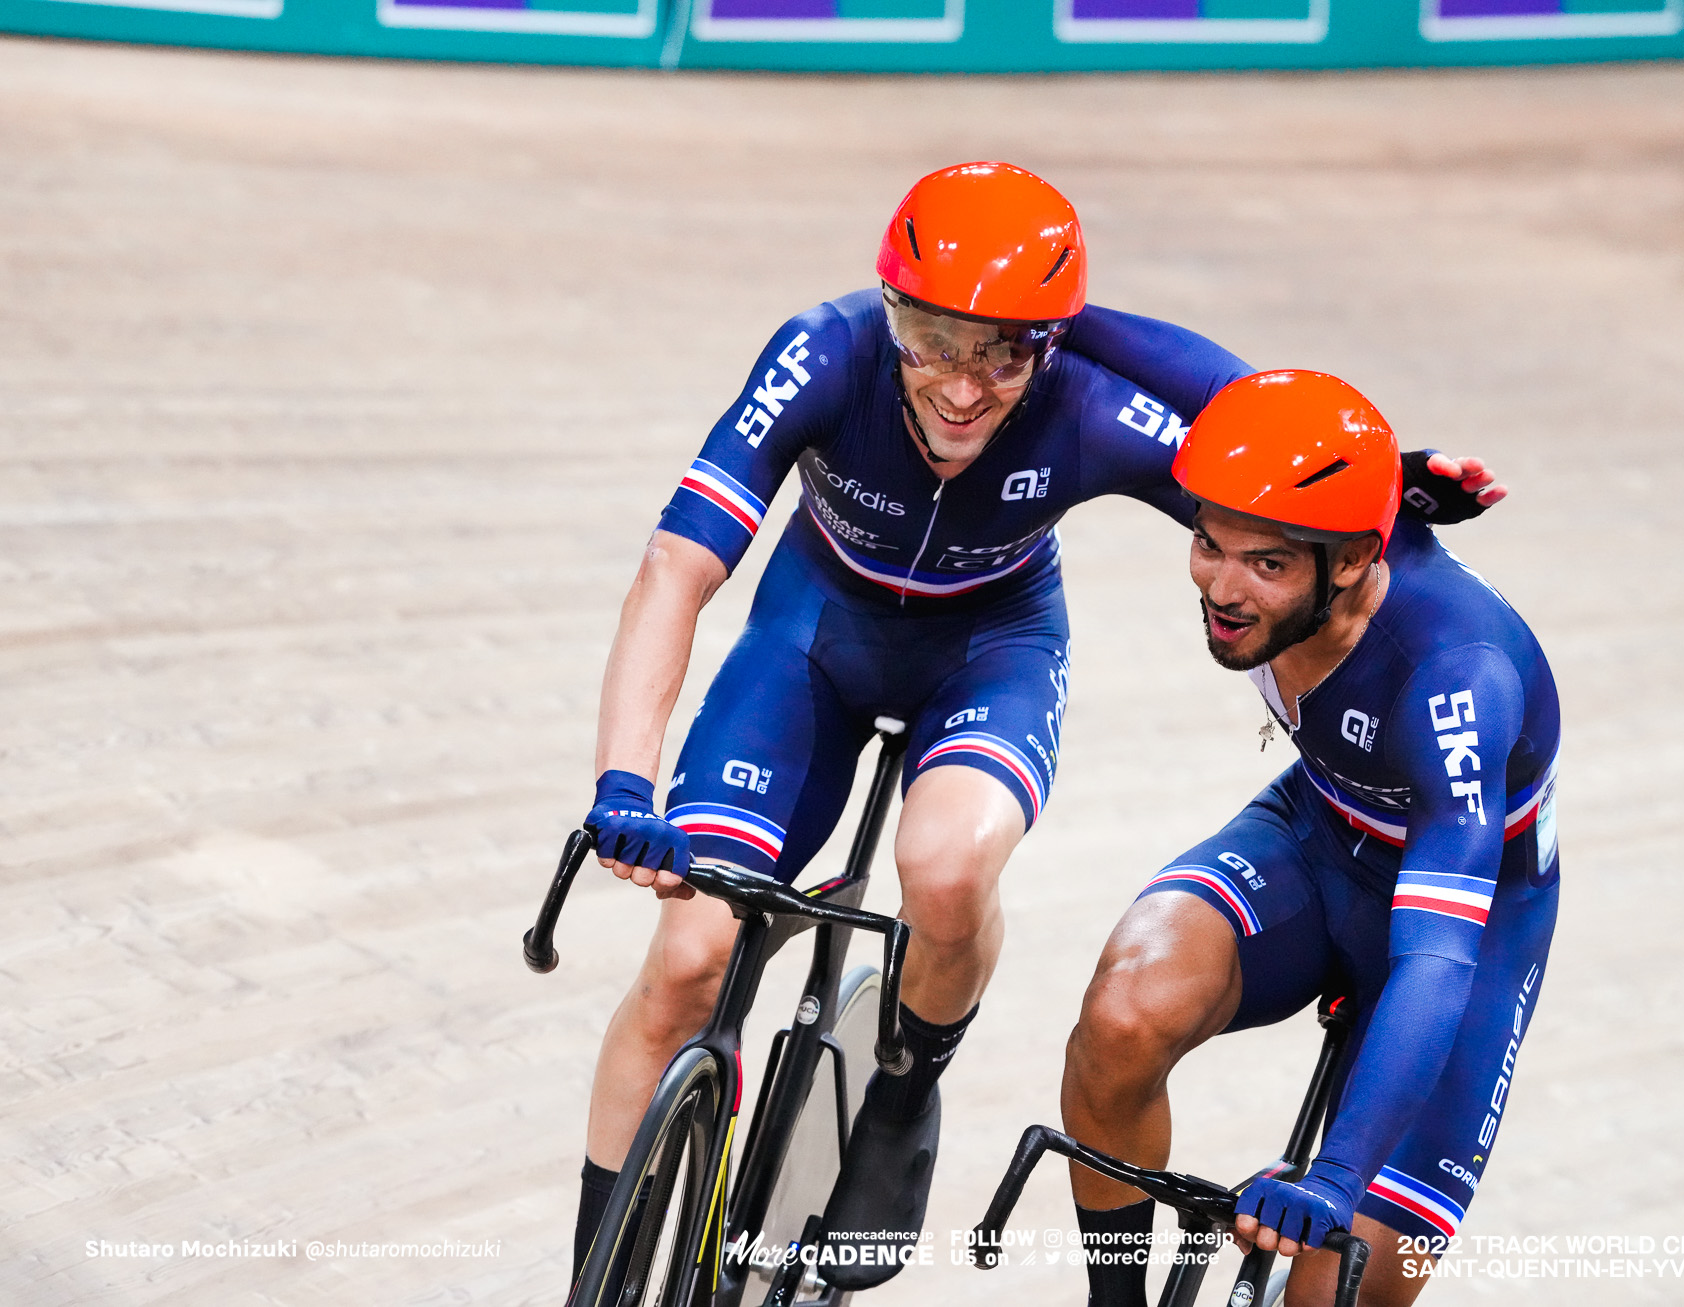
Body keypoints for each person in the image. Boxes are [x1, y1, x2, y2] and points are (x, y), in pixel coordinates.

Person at [570, 161, 1502, 1292]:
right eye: (929, 341)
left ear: (1050, 344)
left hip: (992, 648)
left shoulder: (1091, 411)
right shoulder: (821, 353)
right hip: (807, 640)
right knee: (688, 957)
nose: (963, 388)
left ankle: (900, 1094)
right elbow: (675, 568)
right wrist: (626, 784)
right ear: (886, 311)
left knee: (947, 867)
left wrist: (1369, 485)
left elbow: (1264, 460)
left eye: (1001, 351)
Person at [1058, 370, 1560, 1307]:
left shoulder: (1457, 676)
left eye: (1269, 565)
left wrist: (1334, 1178)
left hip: (1467, 925)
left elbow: (1440, 956)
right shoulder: (1285, 514)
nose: (1224, 585)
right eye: (1209, 543)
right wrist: (989, 340)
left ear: (1354, 561)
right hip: (1321, 833)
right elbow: (1189, 375)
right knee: (1121, 1018)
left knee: (1335, 1288)